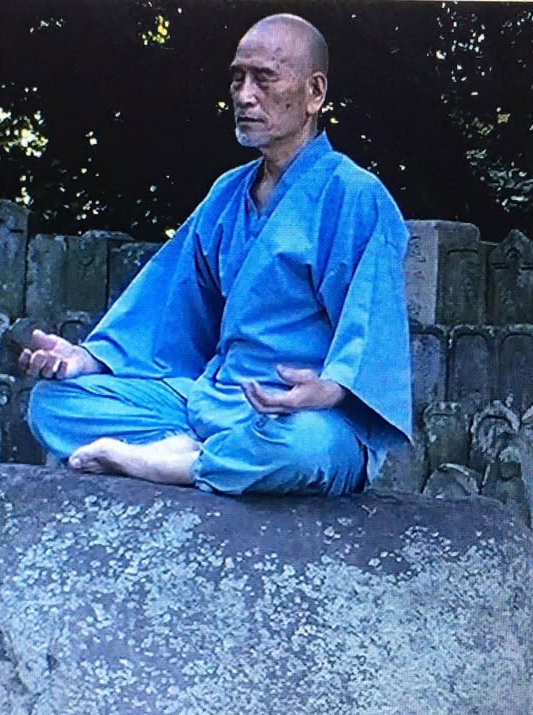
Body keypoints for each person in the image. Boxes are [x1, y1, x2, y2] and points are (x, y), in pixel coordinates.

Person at [21, 13, 411, 496]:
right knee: (54, 402)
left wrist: (329, 389)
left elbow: (374, 334)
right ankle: (201, 450)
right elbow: (170, 306)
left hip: (303, 417)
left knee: (303, 448)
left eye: (264, 79)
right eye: (237, 78)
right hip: (214, 401)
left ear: (315, 93)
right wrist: (88, 361)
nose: (245, 95)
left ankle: (176, 464)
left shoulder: (355, 196)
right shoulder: (227, 194)